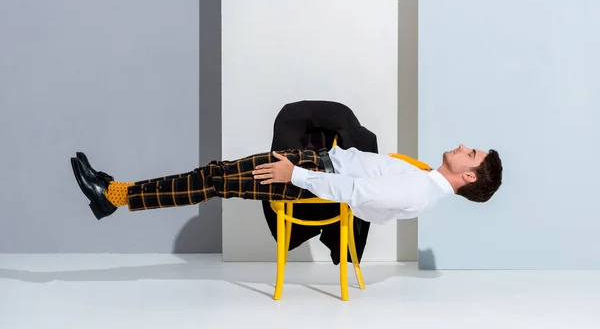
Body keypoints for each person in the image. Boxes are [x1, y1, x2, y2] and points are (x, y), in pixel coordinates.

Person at [70, 144, 502, 224]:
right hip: (316, 166)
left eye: (473, 154)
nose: (465, 146)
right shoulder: (424, 181)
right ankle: (116, 191)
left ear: (468, 176)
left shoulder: (418, 191)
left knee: (214, 178)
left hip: (307, 176)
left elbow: (356, 195)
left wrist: (294, 175)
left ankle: (113, 195)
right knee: (214, 175)